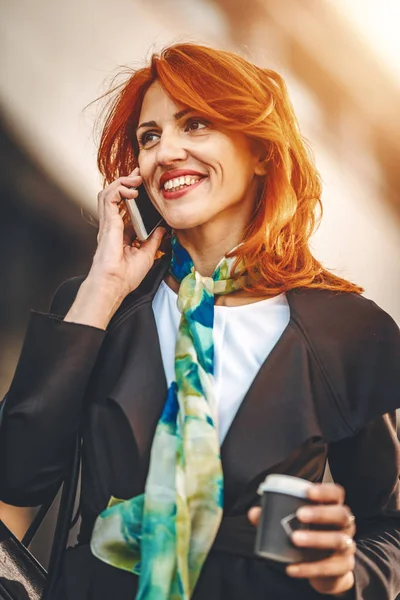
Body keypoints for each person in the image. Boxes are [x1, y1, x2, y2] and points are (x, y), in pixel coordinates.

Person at [0, 43, 399, 600]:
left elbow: (388, 528)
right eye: (149, 136)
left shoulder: (350, 333)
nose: (167, 152)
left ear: (261, 151)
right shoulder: (104, 303)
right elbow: (16, 479)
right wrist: (104, 288)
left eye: (197, 124)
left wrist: (347, 571)